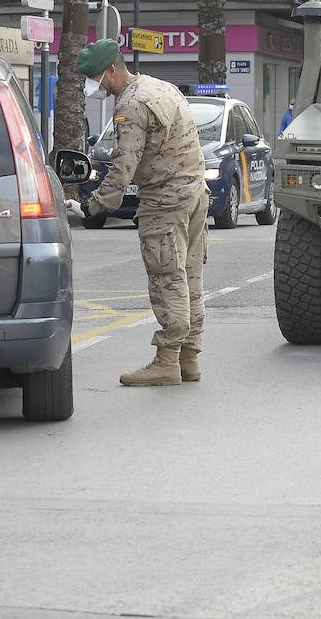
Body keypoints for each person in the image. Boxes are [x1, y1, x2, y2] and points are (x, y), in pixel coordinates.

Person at [70, 39, 209, 386]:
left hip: (165, 204)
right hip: (195, 195)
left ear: (112, 70)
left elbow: (122, 169)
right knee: (190, 278)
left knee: (167, 279)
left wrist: (92, 207)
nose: (94, 86)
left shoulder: (130, 105)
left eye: (95, 78)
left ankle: (166, 362)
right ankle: (188, 358)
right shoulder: (163, 88)